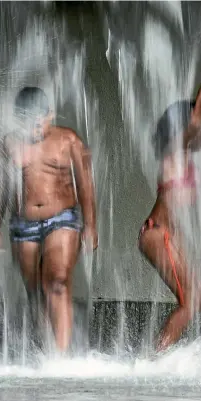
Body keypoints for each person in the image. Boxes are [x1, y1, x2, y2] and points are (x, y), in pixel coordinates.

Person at [0, 87, 97, 352]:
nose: (36, 126)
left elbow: (85, 184)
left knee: (58, 283)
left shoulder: (68, 140)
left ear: (50, 114)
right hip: (22, 225)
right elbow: (0, 189)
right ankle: (47, 350)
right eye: (28, 120)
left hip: (61, 219)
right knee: (35, 291)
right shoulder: (9, 144)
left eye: (41, 119)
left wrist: (91, 225)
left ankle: (60, 359)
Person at [138, 87, 201, 353]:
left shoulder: (183, 157)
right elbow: (196, 123)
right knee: (190, 302)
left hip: (164, 235)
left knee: (195, 298)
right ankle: (153, 359)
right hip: (157, 234)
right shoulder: (175, 151)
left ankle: (160, 355)